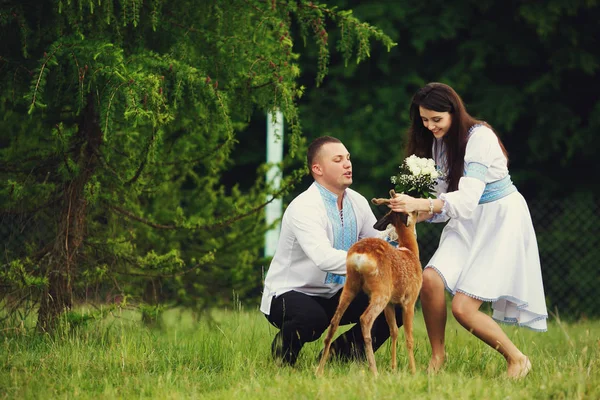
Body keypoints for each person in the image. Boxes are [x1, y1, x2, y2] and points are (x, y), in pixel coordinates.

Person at [389, 82, 547, 379]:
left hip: (500, 219)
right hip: (467, 221)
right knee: (431, 280)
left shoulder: (480, 137)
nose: (430, 126)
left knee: (463, 308)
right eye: (424, 119)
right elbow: (441, 204)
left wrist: (420, 202)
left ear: (454, 111)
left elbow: (465, 199)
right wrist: (405, 217)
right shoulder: (439, 142)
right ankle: (438, 357)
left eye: (437, 119)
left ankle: (517, 360)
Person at [260, 136, 403, 366]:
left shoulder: (357, 201)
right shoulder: (304, 207)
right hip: (291, 294)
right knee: (312, 318)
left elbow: (378, 242)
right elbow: (323, 258)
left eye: (348, 158)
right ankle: (281, 359)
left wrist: (401, 229)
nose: (347, 164)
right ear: (317, 169)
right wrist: (373, 263)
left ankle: (338, 358)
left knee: (394, 303)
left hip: (338, 293)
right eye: (338, 160)